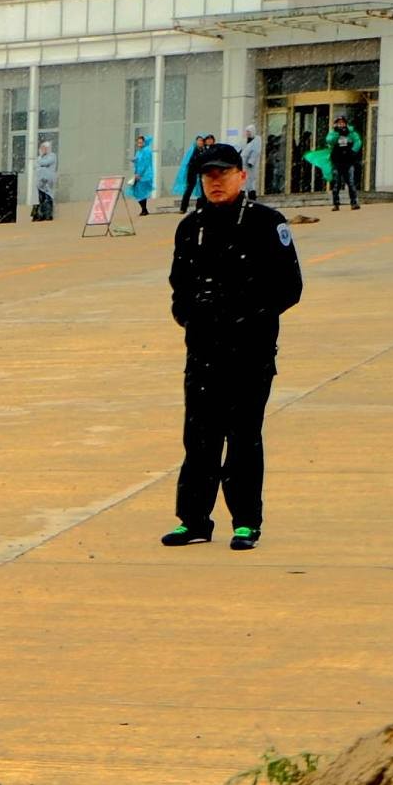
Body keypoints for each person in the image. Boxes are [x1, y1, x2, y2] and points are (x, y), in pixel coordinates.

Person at [159, 142, 302, 555]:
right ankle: (194, 520)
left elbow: (289, 288)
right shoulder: (191, 227)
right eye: (208, 176)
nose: (215, 182)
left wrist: (246, 315)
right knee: (199, 439)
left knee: (243, 439)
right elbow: (179, 284)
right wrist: (186, 313)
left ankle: (245, 523)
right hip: (203, 352)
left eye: (223, 174)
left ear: (242, 176)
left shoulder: (265, 222)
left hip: (250, 352)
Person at [328, 116, 363, 211]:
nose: (341, 124)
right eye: (339, 123)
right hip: (337, 162)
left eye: (342, 122)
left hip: (348, 161)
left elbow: (358, 142)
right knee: (336, 183)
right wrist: (337, 134)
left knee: (351, 183)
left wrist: (353, 151)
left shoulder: (351, 133)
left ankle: (354, 203)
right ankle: (336, 204)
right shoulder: (333, 133)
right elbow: (329, 140)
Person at [128, 132, 155, 217]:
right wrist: (135, 160)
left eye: (141, 142)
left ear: (144, 142)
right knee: (138, 191)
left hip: (144, 175)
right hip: (139, 174)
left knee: (140, 191)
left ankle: (144, 209)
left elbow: (145, 164)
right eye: (138, 142)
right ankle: (144, 209)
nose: (139, 144)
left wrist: (139, 174)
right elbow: (140, 161)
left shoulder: (146, 150)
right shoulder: (140, 151)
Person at [32, 138, 57, 221]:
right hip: (40, 181)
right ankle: (40, 214)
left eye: (44, 148)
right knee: (41, 198)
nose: (43, 150)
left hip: (48, 181)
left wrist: (39, 162)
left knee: (48, 197)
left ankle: (48, 214)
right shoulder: (39, 157)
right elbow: (35, 166)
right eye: (42, 148)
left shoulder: (52, 156)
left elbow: (44, 163)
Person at [175, 136, 202, 213]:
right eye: (199, 141)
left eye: (201, 141)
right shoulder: (192, 150)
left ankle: (199, 208)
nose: (200, 142)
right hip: (192, 173)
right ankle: (183, 208)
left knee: (201, 191)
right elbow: (186, 162)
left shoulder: (203, 150)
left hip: (200, 173)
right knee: (188, 190)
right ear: (196, 141)